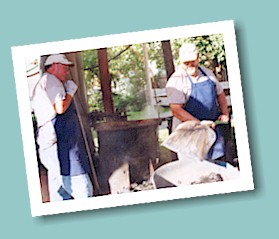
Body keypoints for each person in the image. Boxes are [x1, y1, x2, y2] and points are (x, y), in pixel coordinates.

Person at [32, 54, 93, 201]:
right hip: (58, 145)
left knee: (59, 189)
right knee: (82, 188)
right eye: (64, 68)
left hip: (50, 144)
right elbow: (60, 108)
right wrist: (70, 92)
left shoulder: (46, 82)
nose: (67, 72)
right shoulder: (50, 80)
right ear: (53, 65)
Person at [165, 43, 230, 166]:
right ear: (180, 61)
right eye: (186, 62)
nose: (190, 65)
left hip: (212, 130)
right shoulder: (176, 81)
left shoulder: (208, 74)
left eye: (193, 61)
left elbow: (220, 94)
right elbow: (176, 110)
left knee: (216, 167)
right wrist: (199, 124)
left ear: (198, 58)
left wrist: (224, 113)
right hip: (189, 134)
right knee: (193, 168)